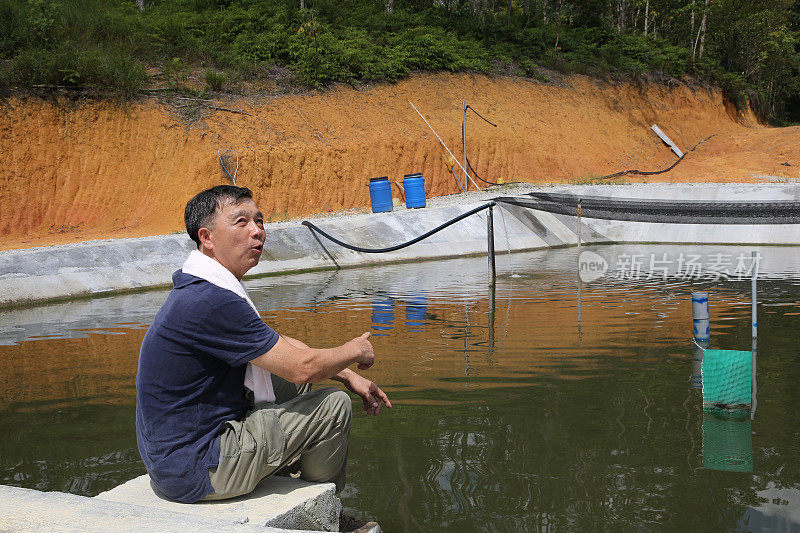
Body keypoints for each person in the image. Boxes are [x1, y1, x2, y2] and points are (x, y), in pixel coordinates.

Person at [135, 185, 391, 503]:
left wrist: (349, 375)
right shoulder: (211, 301)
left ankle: (283, 465)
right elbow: (301, 368)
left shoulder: (201, 285)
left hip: (175, 460)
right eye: (241, 222)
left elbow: (278, 342)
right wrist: (355, 350)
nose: (257, 231)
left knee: (291, 386)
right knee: (333, 407)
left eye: (259, 220)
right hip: (198, 470)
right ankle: (326, 508)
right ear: (207, 237)